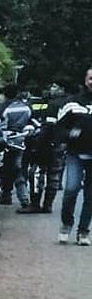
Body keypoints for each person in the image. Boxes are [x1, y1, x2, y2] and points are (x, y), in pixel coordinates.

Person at [56, 66, 92, 245]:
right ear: (85, 81)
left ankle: (83, 231)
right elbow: (59, 126)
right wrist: (69, 134)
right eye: (91, 78)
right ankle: (66, 224)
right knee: (71, 189)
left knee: (90, 196)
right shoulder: (73, 103)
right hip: (75, 155)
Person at [20, 84, 67, 213]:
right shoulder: (67, 103)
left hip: (45, 143)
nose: (52, 89)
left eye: (55, 86)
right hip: (59, 144)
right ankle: (48, 205)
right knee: (54, 175)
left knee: (35, 173)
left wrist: (38, 145)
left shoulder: (53, 105)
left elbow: (48, 126)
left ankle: (35, 204)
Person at [0, 84, 33, 209]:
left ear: (5, 94)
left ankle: (2, 196)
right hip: (20, 141)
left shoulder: (1, 108)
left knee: (0, 170)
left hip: (3, 141)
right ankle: (24, 199)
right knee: (18, 170)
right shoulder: (26, 107)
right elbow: (31, 122)